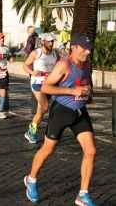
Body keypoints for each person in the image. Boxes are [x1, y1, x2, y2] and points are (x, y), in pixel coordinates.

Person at [24, 34, 97, 206]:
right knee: (47, 149)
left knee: (91, 151)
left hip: (80, 111)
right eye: (84, 48)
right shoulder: (64, 64)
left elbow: (86, 82)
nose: (87, 52)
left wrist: (88, 93)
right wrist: (73, 92)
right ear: (74, 47)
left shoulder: (86, 63)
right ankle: (31, 179)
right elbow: (45, 87)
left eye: (89, 48)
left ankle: (83, 195)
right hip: (61, 111)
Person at [23, 32, 59, 143]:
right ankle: (35, 131)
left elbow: (58, 66)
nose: (51, 43)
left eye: (52, 41)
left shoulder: (54, 54)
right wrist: (32, 72)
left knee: (41, 111)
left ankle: (31, 132)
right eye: (49, 41)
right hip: (37, 83)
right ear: (43, 42)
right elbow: (25, 65)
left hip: (50, 83)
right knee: (45, 107)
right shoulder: (36, 53)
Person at [0, 32, 14, 120]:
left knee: (4, 90)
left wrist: (11, 58)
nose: (2, 39)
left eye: (3, 38)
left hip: (4, 72)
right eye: (0, 38)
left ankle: (2, 111)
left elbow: (10, 58)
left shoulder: (6, 48)